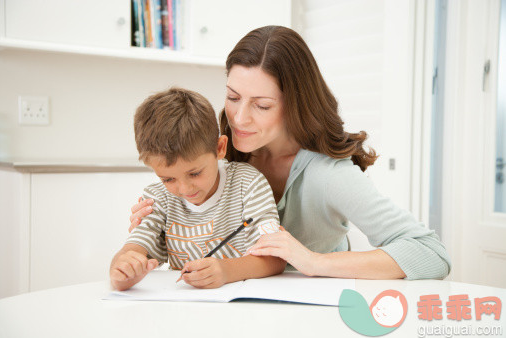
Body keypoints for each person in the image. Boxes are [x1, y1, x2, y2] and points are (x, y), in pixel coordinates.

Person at [129, 26, 451, 280]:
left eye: (262, 105)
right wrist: (157, 234)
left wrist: (313, 262)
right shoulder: (218, 156)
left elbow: (431, 253)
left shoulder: (328, 175)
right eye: (233, 97)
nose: (239, 119)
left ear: (295, 103)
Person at [110, 87, 285, 291]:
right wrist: (124, 270)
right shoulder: (157, 198)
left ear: (220, 148)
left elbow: (276, 258)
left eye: (194, 173)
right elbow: (133, 249)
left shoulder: (248, 184)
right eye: (168, 179)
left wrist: (226, 271)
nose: (184, 189)